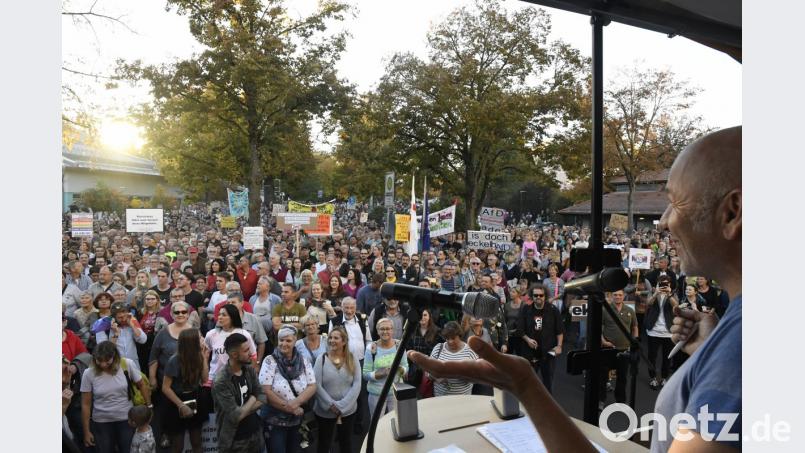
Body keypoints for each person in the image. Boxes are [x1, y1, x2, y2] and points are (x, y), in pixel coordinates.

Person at [407, 126, 742, 453]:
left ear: (732, 212)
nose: (664, 221)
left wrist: (525, 386)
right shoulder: (735, 339)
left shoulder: (740, 349)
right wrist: (709, 349)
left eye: (675, 202)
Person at [81, 341, 151, 453]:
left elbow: (142, 385)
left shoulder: (127, 364)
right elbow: (86, 404)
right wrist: (86, 431)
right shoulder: (88, 373)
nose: (103, 365)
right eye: (99, 361)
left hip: (127, 420)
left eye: (107, 361)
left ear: (115, 357)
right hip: (101, 422)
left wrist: (149, 406)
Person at [260, 325, 317, 453]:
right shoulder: (269, 361)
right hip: (274, 421)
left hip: (297, 420)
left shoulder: (303, 360)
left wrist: (295, 403)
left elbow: (312, 385)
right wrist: (289, 407)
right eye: (281, 340)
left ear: (295, 341)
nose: (284, 343)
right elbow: (265, 390)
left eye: (288, 340)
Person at [212, 333, 266, 453]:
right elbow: (235, 416)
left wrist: (243, 411)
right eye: (246, 350)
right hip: (234, 440)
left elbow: (263, 397)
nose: (251, 353)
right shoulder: (221, 381)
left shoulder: (249, 370)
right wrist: (253, 397)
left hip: (255, 434)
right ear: (234, 354)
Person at [313, 326, 361, 453]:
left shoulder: (352, 358)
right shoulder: (321, 359)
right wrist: (331, 405)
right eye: (330, 338)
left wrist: (342, 406)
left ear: (344, 341)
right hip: (325, 411)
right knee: (324, 444)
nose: (331, 340)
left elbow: (357, 384)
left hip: (348, 411)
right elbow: (316, 384)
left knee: (346, 443)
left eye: (336, 338)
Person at [161, 328, 211, 453]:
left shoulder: (199, 356)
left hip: (195, 397)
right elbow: (165, 388)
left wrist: (204, 358)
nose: (203, 339)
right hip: (176, 401)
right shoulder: (174, 360)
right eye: (200, 337)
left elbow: (205, 379)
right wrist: (181, 405)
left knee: (196, 441)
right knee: (178, 445)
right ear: (192, 342)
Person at [518, 284, 563, 393]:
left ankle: (547, 401)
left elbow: (560, 330)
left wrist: (559, 346)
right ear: (532, 296)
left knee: (548, 380)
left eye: (541, 295)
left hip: (549, 351)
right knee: (528, 380)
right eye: (535, 295)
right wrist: (528, 339)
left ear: (545, 296)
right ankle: (529, 401)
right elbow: (520, 329)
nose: (538, 297)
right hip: (530, 351)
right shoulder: (526, 309)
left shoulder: (553, 310)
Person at [363, 318, 408, 419]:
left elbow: (406, 367)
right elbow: (365, 374)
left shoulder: (399, 346)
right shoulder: (371, 348)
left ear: (392, 330)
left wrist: (399, 369)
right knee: (377, 423)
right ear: (377, 331)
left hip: (395, 392)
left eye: (388, 328)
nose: (385, 331)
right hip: (376, 394)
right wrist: (378, 374)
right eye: (382, 329)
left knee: (396, 421)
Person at [600, 289, 638, 404]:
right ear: (612, 296)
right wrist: (603, 341)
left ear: (624, 296)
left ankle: (620, 401)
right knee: (602, 376)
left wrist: (634, 342)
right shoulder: (605, 309)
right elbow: (599, 327)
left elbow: (635, 327)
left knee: (622, 377)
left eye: (620, 295)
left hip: (624, 349)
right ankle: (600, 400)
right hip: (607, 349)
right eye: (615, 295)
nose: (617, 297)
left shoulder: (630, 310)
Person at [205, 304, 257, 384]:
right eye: (219, 314)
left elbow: (253, 356)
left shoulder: (244, 334)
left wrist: (250, 377)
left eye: (224, 315)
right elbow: (205, 354)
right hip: (215, 379)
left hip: (238, 378)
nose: (220, 317)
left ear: (233, 317)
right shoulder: (211, 334)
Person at [645, 275, 678, 389]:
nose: (664, 286)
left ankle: (664, 377)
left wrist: (669, 294)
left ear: (669, 284)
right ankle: (653, 378)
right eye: (662, 283)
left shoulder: (673, 294)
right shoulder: (653, 292)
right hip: (653, 331)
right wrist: (656, 293)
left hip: (668, 331)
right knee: (652, 356)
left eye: (666, 284)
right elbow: (648, 303)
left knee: (667, 357)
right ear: (658, 284)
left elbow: (676, 306)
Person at [429, 321, 478, 396]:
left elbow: (478, 377)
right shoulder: (438, 348)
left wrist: (466, 376)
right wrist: (436, 377)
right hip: (440, 399)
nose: (450, 341)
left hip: (463, 399)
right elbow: (428, 371)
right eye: (447, 338)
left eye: (453, 338)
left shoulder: (470, 351)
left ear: (459, 336)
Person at [406, 308, 441, 391]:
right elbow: (408, 348)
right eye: (420, 315)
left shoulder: (437, 331)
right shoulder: (412, 330)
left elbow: (439, 351)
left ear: (429, 316)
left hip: (430, 368)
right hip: (414, 369)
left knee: (427, 394)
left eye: (425, 315)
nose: (422, 317)